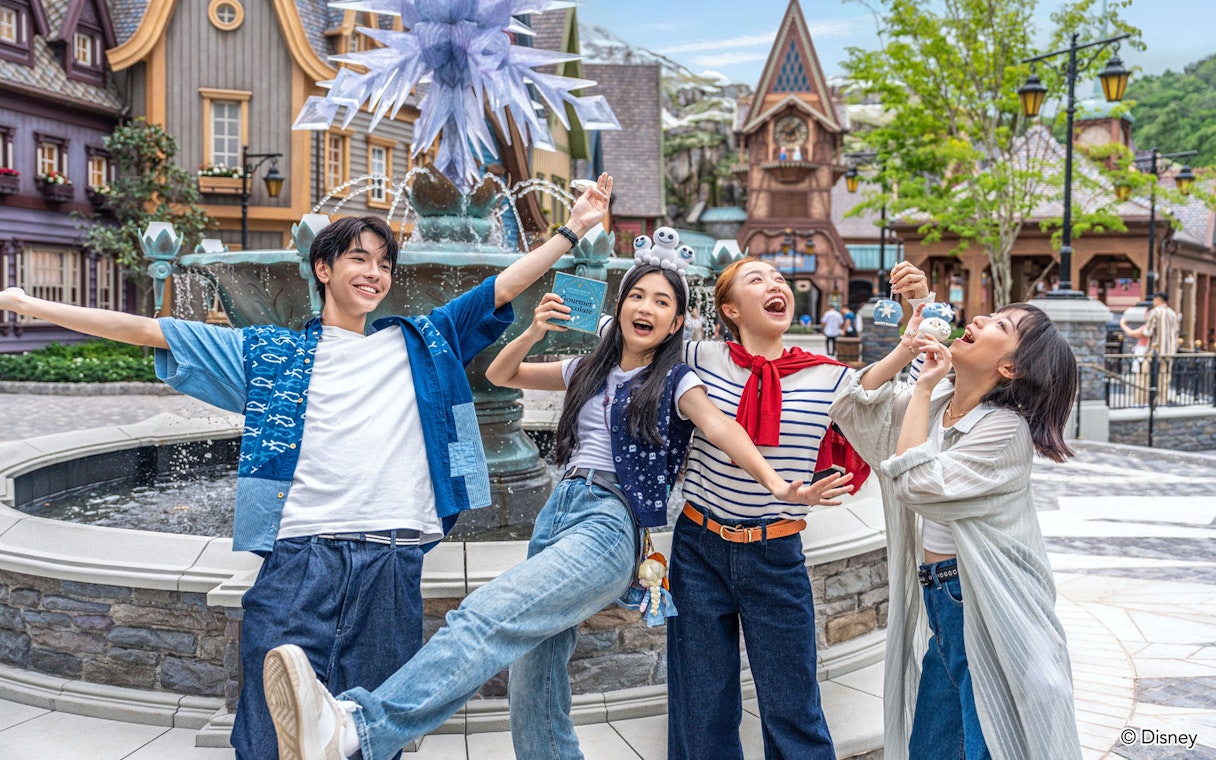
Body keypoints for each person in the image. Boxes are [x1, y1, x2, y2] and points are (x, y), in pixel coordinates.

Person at [0, 173, 613, 760]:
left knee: (367, 735)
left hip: (391, 560)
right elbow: (148, 331)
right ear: (323, 269)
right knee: (271, 734)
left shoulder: (419, 343)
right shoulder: (272, 354)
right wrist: (30, 304)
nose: (374, 273)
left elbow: (502, 288)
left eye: (383, 264)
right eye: (358, 259)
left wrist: (571, 229)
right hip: (301, 561)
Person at [259, 252, 853, 760]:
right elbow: (502, 371)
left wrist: (779, 486)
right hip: (558, 511)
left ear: (676, 323)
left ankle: (357, 728)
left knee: (486, 615)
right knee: (535, 666)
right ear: (620, 307)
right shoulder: (587, 368)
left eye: (663, 302)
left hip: (610, 524)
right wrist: (534, 328)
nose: (647, 308)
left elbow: (724, 430)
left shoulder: (677, 382)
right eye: (637, 296)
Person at [665, 258, 931, 760]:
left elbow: (909, 388)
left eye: (781, 280)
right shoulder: (696, 358)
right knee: (700, 704)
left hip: (775, 553)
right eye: (757, 280)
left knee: (794, 707)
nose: (775, 285)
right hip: (697, 549)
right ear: (729, 308)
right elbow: (626, 344)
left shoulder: (826, 377)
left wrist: (919, 308)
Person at [829, 302, 1082, 760]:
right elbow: (852, 405)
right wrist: (908, 348)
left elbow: (911, 483)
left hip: (983, 602)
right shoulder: (944, 402)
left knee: (980, 736)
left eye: (1000, 326)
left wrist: (923, 387)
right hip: (944, 599)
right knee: (936, 741)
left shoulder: (1005, 431)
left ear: (1008, 367)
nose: (980, 319)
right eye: (990, 315)